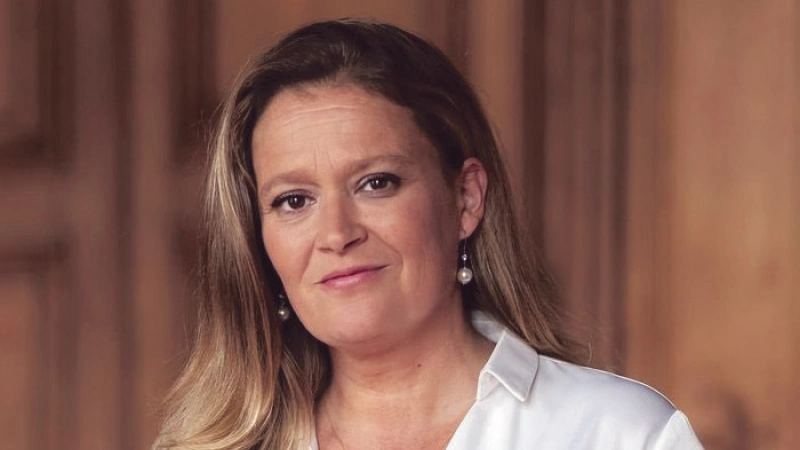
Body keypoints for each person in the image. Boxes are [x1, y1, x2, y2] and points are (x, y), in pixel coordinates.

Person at [154, 19, 703, 450]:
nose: (336, 234)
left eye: (376, 183)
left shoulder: (617, 434)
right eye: (294, 201)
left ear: (465, 198)